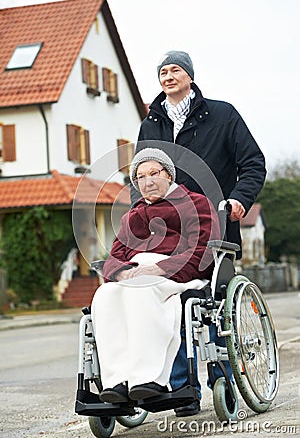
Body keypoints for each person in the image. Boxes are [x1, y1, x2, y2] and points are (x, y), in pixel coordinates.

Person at [131, 50, 267, 416]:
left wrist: (239, 199)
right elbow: (140, 176)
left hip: (214, 228)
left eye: (175, 69)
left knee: (214, 308)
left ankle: (224, 380)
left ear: (190, 76)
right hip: (167, 234)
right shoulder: (151, 124)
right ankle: (181, 389)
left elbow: (253, 162)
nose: (168, 75)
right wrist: (137, 216)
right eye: (162, 71)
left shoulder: (222, 114)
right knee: (167, 301)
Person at [91, 148, 220, 404]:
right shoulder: (133, 215)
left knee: (143, 289)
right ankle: (117, 381)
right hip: (135, 274)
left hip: (178, 273)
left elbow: (203, 250)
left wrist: (162, 268)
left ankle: (149, 379)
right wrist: (121, 273)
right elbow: (115, 255)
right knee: (105, 295)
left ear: (169, 175)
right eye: (140, 176)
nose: (148, 181)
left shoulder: (195, 203)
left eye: (154, 173)